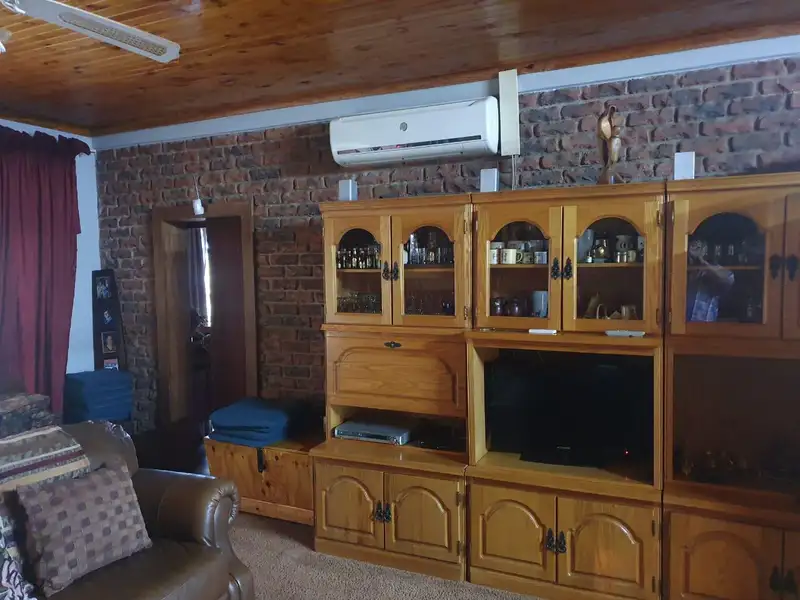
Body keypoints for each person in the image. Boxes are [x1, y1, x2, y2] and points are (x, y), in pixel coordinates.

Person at [686, 239, 735, 322]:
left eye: (697, 247)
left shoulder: (711, 271)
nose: (692, 250)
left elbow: (729, 279)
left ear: (704, 249)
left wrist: (702, 262)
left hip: (703, 327)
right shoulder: (677, 269)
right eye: (691, 246)